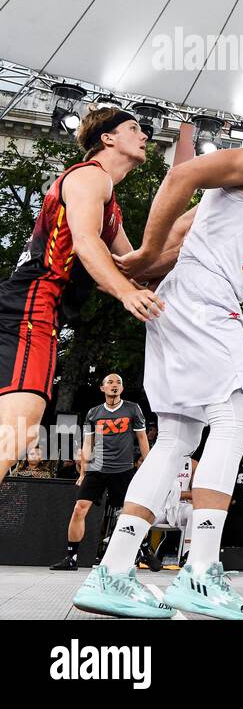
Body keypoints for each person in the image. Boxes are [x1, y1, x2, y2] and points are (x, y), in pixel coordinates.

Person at [73, 99, 243, 619]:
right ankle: (200, 573)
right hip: (206, 300)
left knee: (178, 440)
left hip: (179, 297)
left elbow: (185, 237)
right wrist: (142, 253)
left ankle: (113, 570)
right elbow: (184, 173)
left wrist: (139, 272)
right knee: (236, 419)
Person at [0, 107, 157, 486]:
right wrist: (124, 293)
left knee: (13, 430)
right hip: (31, 307)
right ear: (108, 138)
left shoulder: (110, 202)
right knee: (16, 432)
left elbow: (133, 268)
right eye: (134, 129)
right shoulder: (90, 178)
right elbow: (88, 243)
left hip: (28, 308)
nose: (145, 136)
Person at [51, 373, 149, 571]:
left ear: (122, 389)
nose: (115, 385)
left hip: (123, 469)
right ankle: (71, 557)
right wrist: (82, 473)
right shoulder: (93, 412)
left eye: (118, 383)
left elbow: (142, 438)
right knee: (79, 509)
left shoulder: (133, 409)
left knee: (130, 513)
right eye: (110, 382)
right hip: (97, 468)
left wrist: (147, 467)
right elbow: (88, 443)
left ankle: (144, 551)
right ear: (102, 388)